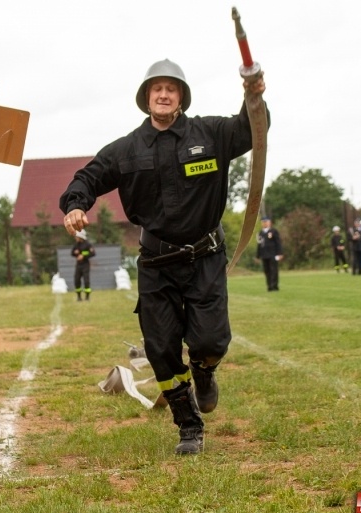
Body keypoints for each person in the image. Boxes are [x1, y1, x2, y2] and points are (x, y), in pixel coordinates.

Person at [60, 58, 267, 454]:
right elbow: (88, 177)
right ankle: (188, 424)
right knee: (161, 350)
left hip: (205, 259)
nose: (164, 94)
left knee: (210, 342)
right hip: (156, 266)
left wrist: (253, 97)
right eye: (157, 88)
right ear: (146, 97)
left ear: (181, 97)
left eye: (171, 88)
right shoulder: (126, 149)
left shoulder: (211, 134)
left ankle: (205, 372)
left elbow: (252, 129)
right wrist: (74, 204)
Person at [256, 217, 283, 291]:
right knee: (267, 271)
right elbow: (259, 244)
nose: (264, 223)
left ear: (269, 222)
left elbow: (278, 243)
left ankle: (274, 285)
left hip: (273, 254)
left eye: (266, 222)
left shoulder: (274, 231)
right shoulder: (261, 233)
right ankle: (269, 286)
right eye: (263, 222)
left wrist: (280, 253)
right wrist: (258, 256)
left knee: (273, 270)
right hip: (264, 255)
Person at [71, 229, 96, 301]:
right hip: (78, 265)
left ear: (80, 237)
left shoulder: (87, 244)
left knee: (86, 280)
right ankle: (79, 297)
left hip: (85, 265)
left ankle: (87, 297)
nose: (75, 238)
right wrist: (75, 253)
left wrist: (83, 256)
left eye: (77, 236)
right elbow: (72, 253)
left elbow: (93, 253)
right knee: (77, 280)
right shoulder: (76, 245)